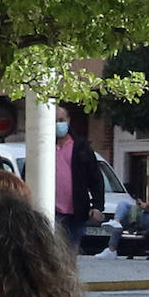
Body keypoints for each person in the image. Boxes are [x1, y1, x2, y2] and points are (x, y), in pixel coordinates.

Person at [95, 162, 149, 259]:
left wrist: (147, 207)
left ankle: (112, 247)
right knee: (122, 210)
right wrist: (145, 205)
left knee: (124, 209)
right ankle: (112, 244)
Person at [54, 105, 105, 251]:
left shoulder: (81, 147)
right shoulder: (44, 147)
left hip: (77, 211)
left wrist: (97, 206)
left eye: (61, 120)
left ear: (68, 121)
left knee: (71, 251)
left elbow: (95, 178)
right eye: (54, 121)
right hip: (52, 211)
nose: (58, 124)